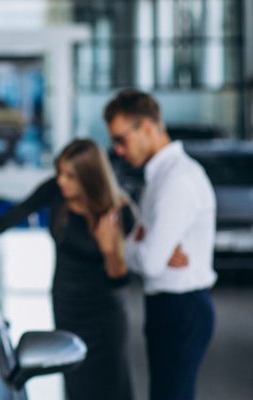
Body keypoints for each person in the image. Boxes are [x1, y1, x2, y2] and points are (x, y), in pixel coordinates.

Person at [0, 139, 134, 400]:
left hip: (104, 313)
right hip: (67, 305)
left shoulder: (117, 212)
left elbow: (120, 279)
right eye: (60, 172)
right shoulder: (55, 192)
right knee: (76, 383)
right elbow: (7, 219)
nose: (62, 181)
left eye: (70, 176)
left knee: (111, 386)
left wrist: (109, 249)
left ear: (90, 177)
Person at [103, 89, 216, 400]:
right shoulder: (160, 177)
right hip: (170, 306)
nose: (119, 150)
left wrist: (125, 248)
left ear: (148, 128)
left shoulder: (176, 180)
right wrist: (144, 246)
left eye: (121, 139)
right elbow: (144, 246)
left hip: (181, 308)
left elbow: (150, 260)